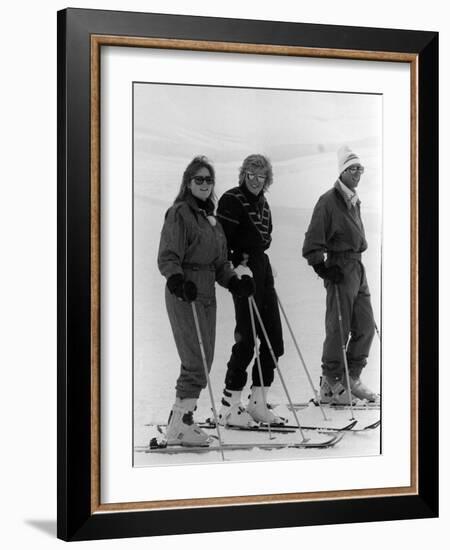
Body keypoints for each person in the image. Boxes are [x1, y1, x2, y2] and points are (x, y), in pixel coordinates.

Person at [158, 156, 255, 446]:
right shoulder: (179, 214)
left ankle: (182, 419)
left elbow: (220, 263)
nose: (204, 184)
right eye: (198, 179)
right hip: (184, 292)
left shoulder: (211, 221)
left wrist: (235, 281)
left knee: (205, 359)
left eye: (208, 180)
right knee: (195, 360)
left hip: (206, 294)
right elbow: (168, 255)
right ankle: (180, 424)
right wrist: (176, 280)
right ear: (188, 182)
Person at [302, 145, 379, 405]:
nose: (357, 173)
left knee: (365, 326)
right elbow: (312, 241)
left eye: (360, 168)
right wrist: (322, 267)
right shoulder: (328, 201)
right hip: (340, 267)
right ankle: (330, 382)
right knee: (339, 326)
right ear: (342, 171)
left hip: (357, 267)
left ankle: (351, 378)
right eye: (352, 168)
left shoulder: (355, 201)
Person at [216, 154, 286, 427]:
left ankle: (258, 401)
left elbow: (263, 240)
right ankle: (229, 405)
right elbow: (221, 241)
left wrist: (264, 266)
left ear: (267, 179)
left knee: (274, 341)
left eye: (261, 176)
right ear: (243, 175)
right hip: (242, 272)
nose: (256, 181)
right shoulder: (232, 200)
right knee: (246, 340)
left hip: (261, 269)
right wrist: (237, 266)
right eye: (251, 175)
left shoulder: (264, 204)